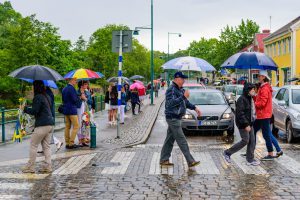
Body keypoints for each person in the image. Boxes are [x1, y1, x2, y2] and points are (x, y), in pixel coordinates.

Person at [160, 72, 201, 168]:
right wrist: (183, 96)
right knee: (182, 140)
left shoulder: (179, 89)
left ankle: (164, 159)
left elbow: (185, 102)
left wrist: (194, 108)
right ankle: (190, 161)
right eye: (183, 79)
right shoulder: (171, 90)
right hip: (173, 118)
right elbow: (170, 103)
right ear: (177, 78)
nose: (184, 81)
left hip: (176, 117)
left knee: (169, 140)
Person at [223, 83, 260, 166]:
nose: (254, 91)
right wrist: (246, 124)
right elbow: (240, 114)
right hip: (243, 124)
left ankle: (250, 159)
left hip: (250, 123)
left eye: (254, 89)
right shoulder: (241, 99)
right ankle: (227, 152)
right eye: (252, 89)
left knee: (252, 141)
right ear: (248, 90)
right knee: (245, 140)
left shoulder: (250, 98)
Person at [22, 81, 54, 173]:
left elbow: (35, 111)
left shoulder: (38, 97)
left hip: (42, 125)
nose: (32, 88)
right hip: (50, 124)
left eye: (33, 86)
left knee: (33, 145)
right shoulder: (47, 96)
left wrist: (25, 109)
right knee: (46, 146)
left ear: (36, 87)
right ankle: (48, 167)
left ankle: (30, 167)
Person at [255, 70, 283, 160]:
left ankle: (271, 154)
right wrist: (254, 96)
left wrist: (255, 103)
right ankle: (278, 150)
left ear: (263, 77)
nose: (258, 77)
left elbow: (262, 103)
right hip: (262, 115)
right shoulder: (263, 87)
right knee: (265, 133)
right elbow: (261, 99)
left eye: (259, 76)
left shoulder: (265, 88)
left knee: (266, 134)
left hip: (263, 115)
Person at [38, 87, 63, 153]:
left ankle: (57, 142)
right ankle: (47, 147)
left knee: (46, 133)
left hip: (48, 116)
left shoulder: (48, 93)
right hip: (48, 115)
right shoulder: (46, 92)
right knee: (45, 133)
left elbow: (47, 105)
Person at [62, 78, 80, 149]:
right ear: (71, 80)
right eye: (75, 80)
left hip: (66, 110)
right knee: (76, 126)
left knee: (67, 127)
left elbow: (63, 100)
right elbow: (74, 99)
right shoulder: (72, 89)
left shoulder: (64, 89)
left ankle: (67, 142)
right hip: (72, 110)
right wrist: (78, 97)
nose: (76, 82)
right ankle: (71, 143)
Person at [77, 80, 93, 146]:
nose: (87, 86)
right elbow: (75, 102)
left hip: (86, 111)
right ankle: (80, 140)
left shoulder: (87, 92)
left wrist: (85, 98)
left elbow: (91, 101)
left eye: (87, 84)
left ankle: (85, 139)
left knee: (86, 125)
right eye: (85, 84)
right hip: (79, 110)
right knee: (80, 125)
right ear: (82, 85)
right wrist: (80, 97)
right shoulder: (76, 92)